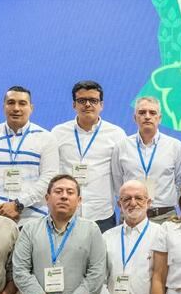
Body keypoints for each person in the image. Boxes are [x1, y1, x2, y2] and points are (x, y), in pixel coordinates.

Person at [0, 85, 58, 222]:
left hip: (34, 220)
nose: (16, 108)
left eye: (22, 103)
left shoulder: (46, 138)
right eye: (11, 103)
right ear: (3, 106)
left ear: (31, 108)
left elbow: (49, 179)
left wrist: (18, 205)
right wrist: (1, 208)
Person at [51, 80, 128, 231]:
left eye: (93, 100)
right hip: (66, 213)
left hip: (102, 214)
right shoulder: (57, 133)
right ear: (74, 105)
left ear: (101, 105)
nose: (87, 104)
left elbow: (121, 174)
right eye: (81, 100)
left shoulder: (117, 134)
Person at [110, 95, 181, 222]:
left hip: (165, 217)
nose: (147, 116)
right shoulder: (121, 147)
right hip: (131, 215)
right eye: (142, 112)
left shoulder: (176, 147)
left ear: (159, 118)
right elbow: (118, 183)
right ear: (135, 118)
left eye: (152, 112)